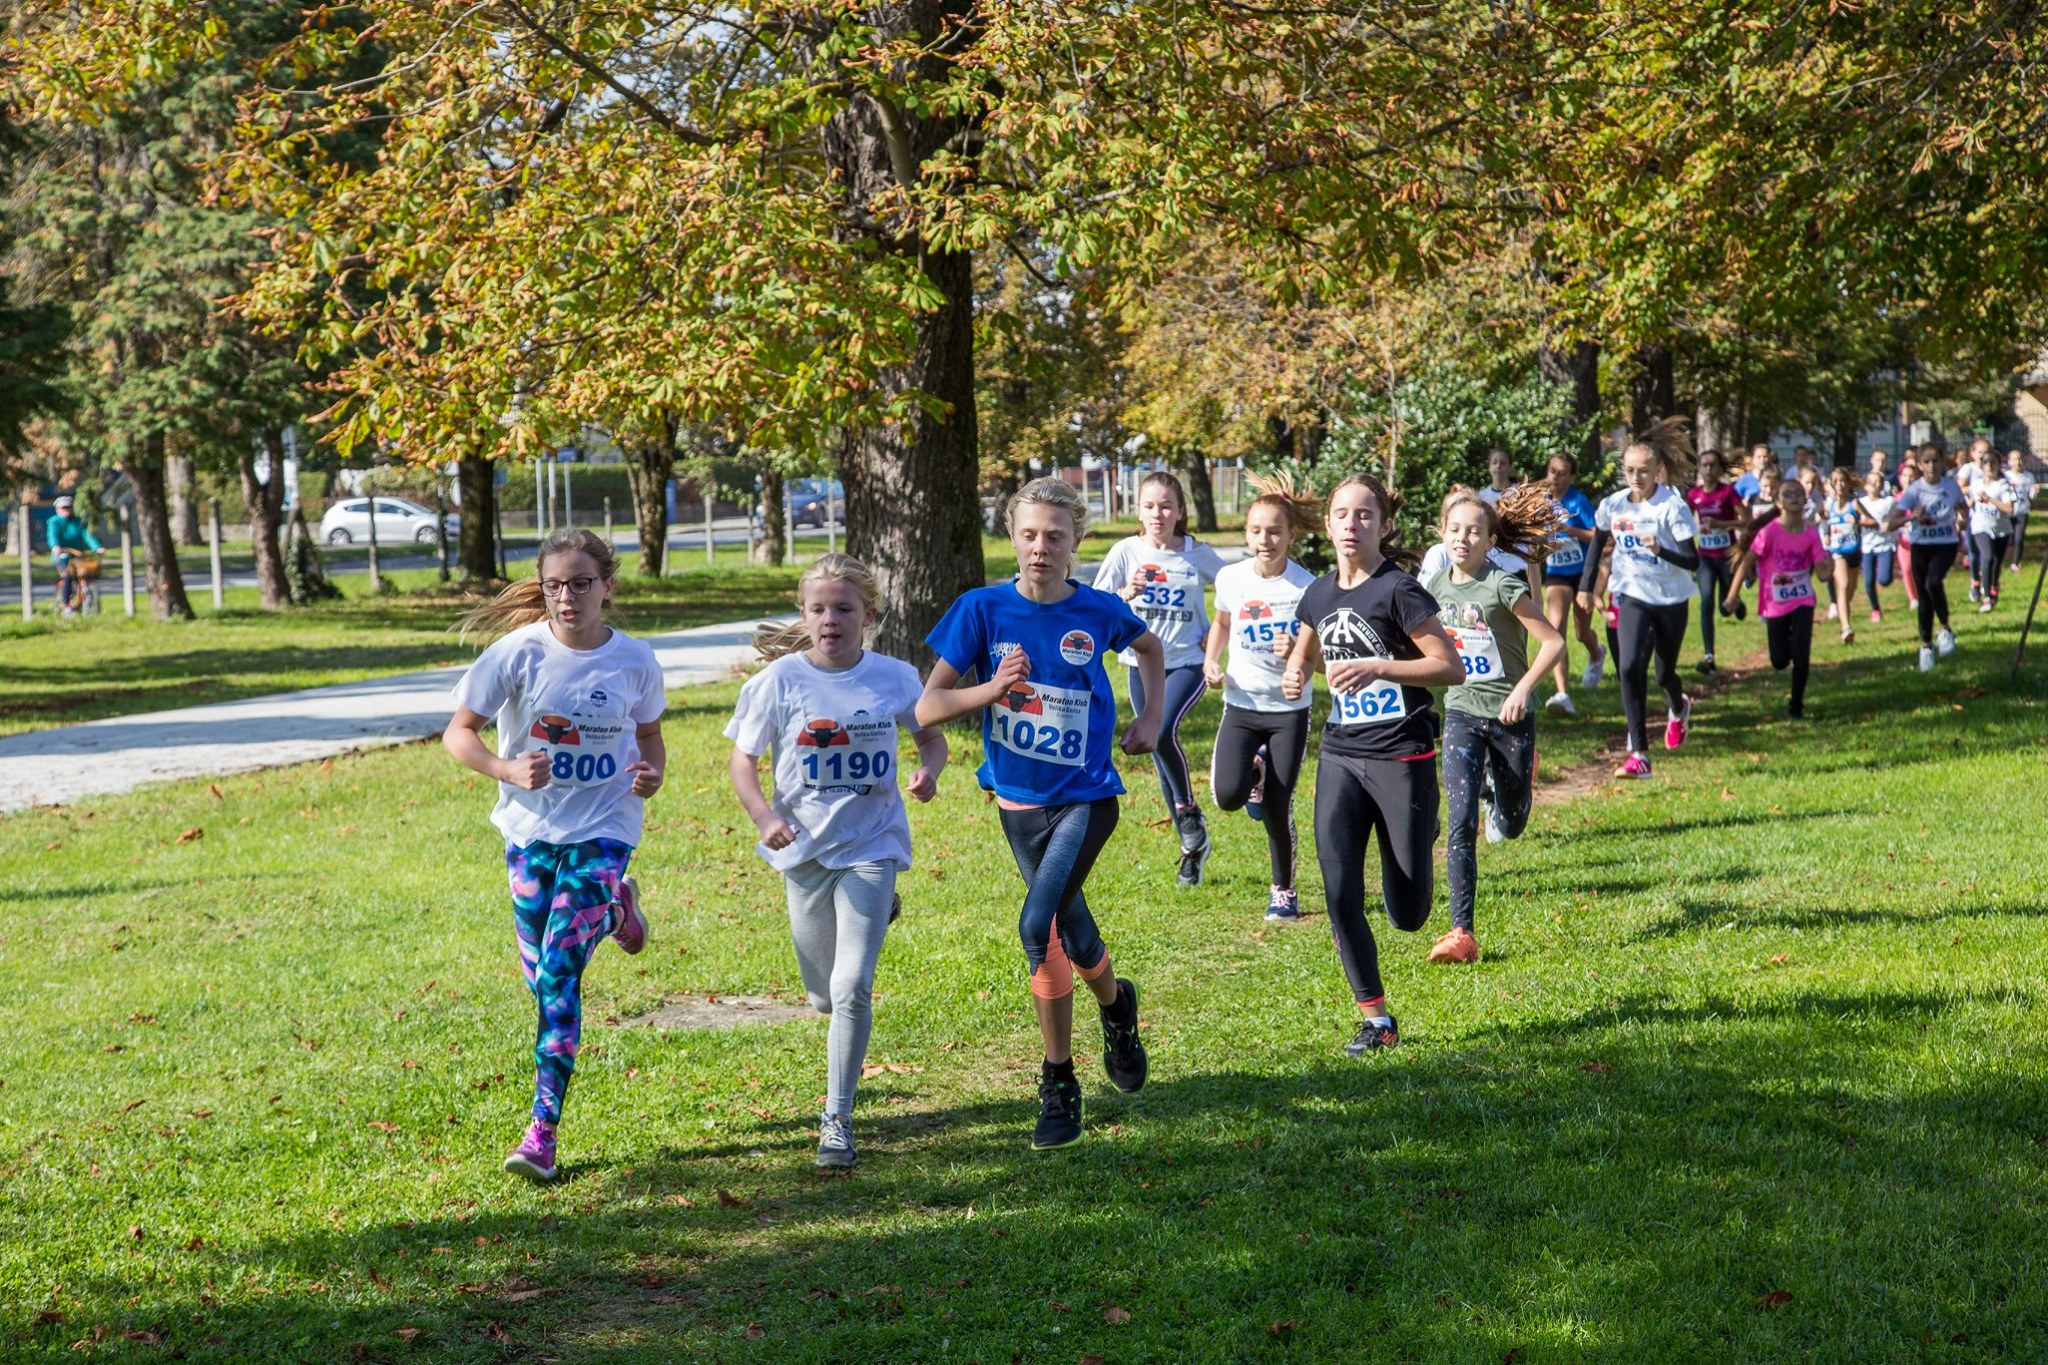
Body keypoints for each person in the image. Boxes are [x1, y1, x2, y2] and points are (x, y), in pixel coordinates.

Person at [921, 477, 1157, 1150]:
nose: (1040, 547)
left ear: (1077, 540)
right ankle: (1118, 1008)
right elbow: (928, 706)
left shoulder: (1099, 609)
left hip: (1087, 796)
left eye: (1055, 535)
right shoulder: (981, 609)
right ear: (1011, 536)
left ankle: (1058, 1081)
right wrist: (993, 688)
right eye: (1029, 534)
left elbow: (1149, 649)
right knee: (1074, 933)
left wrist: (1152, 716)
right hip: (1017, 804)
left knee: (1037, 924)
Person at [443, 529, 666, 1183]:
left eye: (581, 583)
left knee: (559, 977)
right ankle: (616, 913)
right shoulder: (517, 653)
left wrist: (651, 773)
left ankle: (542, 1131)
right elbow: (459, 733)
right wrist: (506, 768)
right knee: (539, 978)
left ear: (607, 586)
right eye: (555, 585)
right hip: (529, 833)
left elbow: (650, 736)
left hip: (605, 830)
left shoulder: (634, 660)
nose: (568, 596)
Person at [725, 554, 948, 1169]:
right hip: (803, 852)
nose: (831, 620)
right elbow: (743, 762)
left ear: (868, 615)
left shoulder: (895, 677)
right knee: (823, 996)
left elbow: (930, 735)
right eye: (819, 609)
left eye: (844, 609)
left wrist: (929, 771)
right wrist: (764, 819)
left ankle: (837, 1120)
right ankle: (869, 919)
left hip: (872, 845)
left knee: (851, 988)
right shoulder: (778, 682)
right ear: (804, 615)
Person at [1282, 474, 1464, 1053]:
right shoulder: (1318, 594)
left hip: (1402, 754)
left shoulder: (1399, 590)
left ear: (1384, 526)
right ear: (1327, 524)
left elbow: (1450, 667)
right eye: (1342, 514)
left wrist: (1380, 666)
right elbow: (1308, 656)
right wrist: (1295, 672)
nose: (1352, 524)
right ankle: (1378, 1020)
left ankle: (1419, 829)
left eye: (1365, 515)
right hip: (1341, 753)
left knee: (1408, 914)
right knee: (1340, 893)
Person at [1421, 486, 1566, 965]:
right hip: (1462, 712)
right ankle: (1461, 931)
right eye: (1454, 529)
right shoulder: (1433, 586)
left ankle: (1513, 786)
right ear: (1442, 534)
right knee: (1460, 822)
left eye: (1473, 531)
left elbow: (1553, 643)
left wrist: (1522, 690)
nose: (1462, 538)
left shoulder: (1503, 585)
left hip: (1510, 717)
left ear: (1490, 540)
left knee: (1513, 821)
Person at [1092, 471, 1225, 887]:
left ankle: (1187, 812)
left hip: (1188, 662)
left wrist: (1216, 633)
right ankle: (1192, 848)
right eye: (1149, 506)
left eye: (1166, 506)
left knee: (1162, 730)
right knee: (1155, 747)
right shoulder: (1126, 552)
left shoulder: (1197, 554)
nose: (1158, 514)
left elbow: (1237, 592)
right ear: (1138, 511)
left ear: (1180, 511)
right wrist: (1125, 595)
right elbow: (1095, 604)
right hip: (1140, 663)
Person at [1202, 488, 1319, 922]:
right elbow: (1221, 623)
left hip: (1289, 711)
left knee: (1277, 806)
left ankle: (1283, 891)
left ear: (1290, 535)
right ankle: (1255, 771)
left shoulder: (1307, 587)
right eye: (1256, 531)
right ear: (1247, 534)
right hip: (1241, 703)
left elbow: (1319, 656)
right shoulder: (1231, 579)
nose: (1264, 540)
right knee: (1227, 796)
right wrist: (1211, 661)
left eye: (1274, 532)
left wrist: (1297, 656)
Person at [1577, 422, 1701, 780]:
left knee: (1664, 674)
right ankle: (1639, 754)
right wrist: (1586, 587)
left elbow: (1692, 561)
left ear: (1657, 469)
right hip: (1631, 594)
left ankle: (1678, 706)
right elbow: (1597, 544)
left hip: (1671, 599)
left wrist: (1661, 550)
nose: (1636, 477)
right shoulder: (1614, 505)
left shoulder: (1671, 507)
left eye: (1644, 471)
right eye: (1630, 470)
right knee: (1629, 667)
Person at [1725, 478, 1826, 718]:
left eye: (1798, 493)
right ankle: (1789, 643)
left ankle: (1796, 706)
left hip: (1803, 600)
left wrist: (1829, 565)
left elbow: (1822, 574)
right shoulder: (1769, 532)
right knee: (1779, 660)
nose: (1794, 497)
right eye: (1788, 494)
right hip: (1775, 604)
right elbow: (1746, 563)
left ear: (1805, 500)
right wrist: (1732, 595)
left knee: (1801, 656)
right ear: (1779, 502)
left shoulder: (1811, 534)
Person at [1886, 451, 1964, 671]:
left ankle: (1945, 629)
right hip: (1920, 546)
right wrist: (1911, 516)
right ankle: (1926, 646)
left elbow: (1963, 507)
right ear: (1920, 465)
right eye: (1927, 462)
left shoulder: (1951, 486)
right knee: (1924, 597)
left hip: (1945, 543)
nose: (1932, 466)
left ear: (1942, 463)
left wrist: (1963, 519)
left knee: (1933, 581)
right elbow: (1891, 522)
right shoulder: (1914, 490)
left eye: (1936, 461)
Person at [1538, 454, 1602, 714]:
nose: (1555, 477)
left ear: (1572, 477)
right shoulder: (1542, 502)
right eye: (1552, 471)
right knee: (1556, 629)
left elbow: (1596, 535)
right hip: (1557, 573)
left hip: (1582, 574)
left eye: (1562, 472)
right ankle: (1563, 694)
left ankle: (1596, 653)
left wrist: (1568, 530)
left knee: (1581, 633)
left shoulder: (1578, 501)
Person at [1683, 449, 1748, 673]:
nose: (1708, 469)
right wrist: (1696, 528)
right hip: (1705, 557)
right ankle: (1709, 655)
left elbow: (1746, 520)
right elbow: (1684, 521)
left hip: (1727, 556)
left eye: (1712, 465)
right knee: (1706, 600)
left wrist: (1721, 525)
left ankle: (1736, 603)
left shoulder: (1727, 492)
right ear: (1699, 469)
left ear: (1720, 469)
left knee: (1724, 608)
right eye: (1704, 465)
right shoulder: (1694, 494)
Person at [1963, 443, 2014, 612]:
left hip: (2001, 530)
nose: (1990, 466)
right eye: (1986, 463)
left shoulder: (2003, 485)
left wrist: (1990, 499)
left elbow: (2009, 508)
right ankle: (1986, 598)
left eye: (1993, 463)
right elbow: (1969, 503)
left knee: (1996, 563)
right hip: (1980, 527)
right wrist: (1962, 513)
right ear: (1982, 466)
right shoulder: (1976, 484)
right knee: (1988, 557)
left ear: (1999, 465)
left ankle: (1993, 588)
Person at [1821, 467, 1862, 642]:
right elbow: (1823, 522)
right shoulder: (1829, 505)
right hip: (1837, 551)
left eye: (1842, 481)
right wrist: (1826, 535)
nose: (1839, 485)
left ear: (1848, 483)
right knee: (1843, 585)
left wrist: (1858, 522)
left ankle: (1842, 610)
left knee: (1851, 589)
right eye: (1836, 482)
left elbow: (1872, 521)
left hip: (1854, 550)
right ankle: (1846, 628)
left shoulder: (1855, 504)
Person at [47, 494, 104, 617]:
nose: (66, 510)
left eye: (68, 507)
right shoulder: (54, 522)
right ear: (57, 509)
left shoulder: (77, 521)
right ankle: (66, 605)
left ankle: (85, 601)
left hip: (77, 556)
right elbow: (52, 536)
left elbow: (87, 535)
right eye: (63, 508)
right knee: (67, 576)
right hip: (61, 556)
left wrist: (97, 547)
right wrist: (55, 546)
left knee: (85, 574)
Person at [1856, 466, 1897, 623]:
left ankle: (1886, 575)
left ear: (1882, 485)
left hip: (1885, 544)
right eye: (1870, 482)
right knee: (1868, 581)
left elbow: (1893, 520)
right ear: (1865, 486)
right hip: (1867, 546)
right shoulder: (1860, 503)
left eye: (1877, 481)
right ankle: (1875, 609)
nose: (1874, 484)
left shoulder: (1888, 502)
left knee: (1884, 580)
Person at [2006, 450, 2035, 570]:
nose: (2017, 462)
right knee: (2009, 538)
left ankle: (2016, 562)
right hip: (2008, 512)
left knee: (2019, 538)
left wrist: (2035, 491)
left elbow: (2031, 495)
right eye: (2014, 459)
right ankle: (2004, 558)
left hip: (2022, 511)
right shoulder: (2005, 476)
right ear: (2009, 462)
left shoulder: (2028, 477)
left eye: (2019, 459)